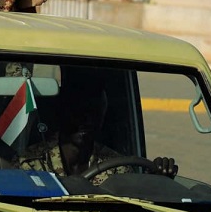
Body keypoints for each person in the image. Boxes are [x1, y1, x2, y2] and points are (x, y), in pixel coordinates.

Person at [11, 69, 178, 186]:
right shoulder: (30, 164)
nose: (87, 119)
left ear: (103, 115)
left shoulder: (118, 167)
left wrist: (158, 181)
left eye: (95, 111)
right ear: (63, 111)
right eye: (79, 110)